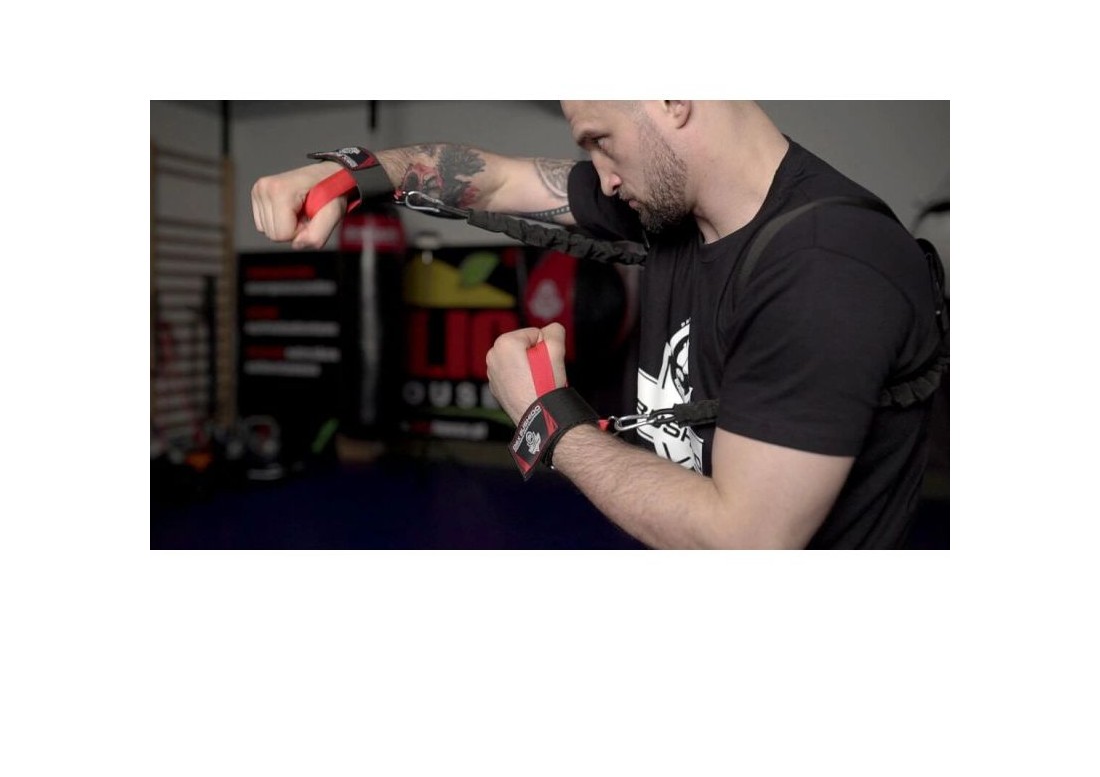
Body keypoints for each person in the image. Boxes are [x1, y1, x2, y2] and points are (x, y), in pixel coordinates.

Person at [250, 101, 946, 550]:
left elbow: (744, 542)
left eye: (601, 141)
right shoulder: (669, 209)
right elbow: (499, 180)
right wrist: (355, 174)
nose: (603, 178)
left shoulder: (828, 264)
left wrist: (546, 418)